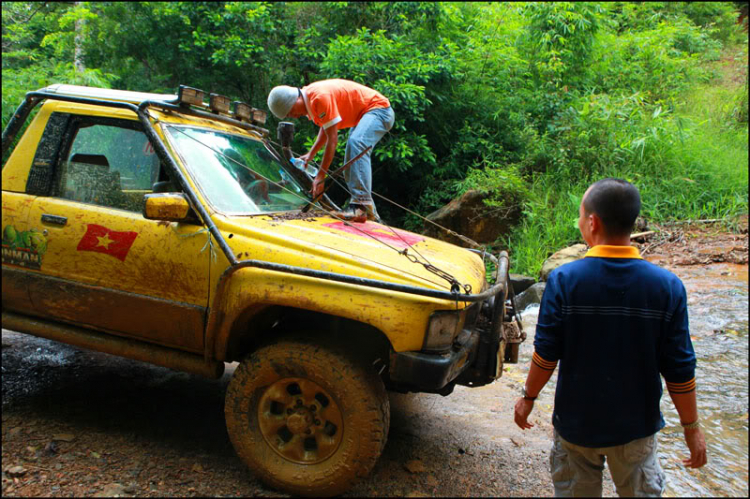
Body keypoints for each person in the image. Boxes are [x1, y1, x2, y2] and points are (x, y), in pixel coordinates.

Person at [513, 178, 707, 497]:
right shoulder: (667, 287)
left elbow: (546, 354)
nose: (579, 224)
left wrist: (528, 398)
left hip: (576, 427)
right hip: (636, 431)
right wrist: (691, 428)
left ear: (593, 222)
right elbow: (680, 370)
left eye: (580, 216)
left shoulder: (564, 281)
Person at [267, 79, 395, 222]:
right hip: (365, 115)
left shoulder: (319, 97)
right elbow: (326, 128)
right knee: (351, 159)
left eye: (290, 112)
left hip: (379, 110)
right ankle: (369, 213)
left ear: (295, 100)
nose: (294, 116)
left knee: (356, 144)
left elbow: (332, 140)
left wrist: (321, 177)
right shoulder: (312, 99)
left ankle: (360, 207)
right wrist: (311, 153)